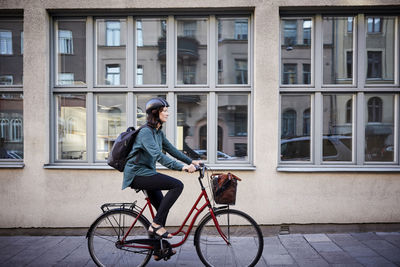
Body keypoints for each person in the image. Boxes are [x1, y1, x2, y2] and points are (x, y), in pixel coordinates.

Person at [122, 98, 200, 243]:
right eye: (164, 110)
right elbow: (158, 155)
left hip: (147, 173)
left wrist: (191, 161)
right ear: (155, 113)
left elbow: (171, 150)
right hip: (137, 174)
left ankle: (157, 249)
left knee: (162, 208)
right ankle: (156, 225)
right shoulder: (145, 132)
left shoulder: (157, 132)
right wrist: (182, 167)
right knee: (177, 185)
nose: (167, 113)